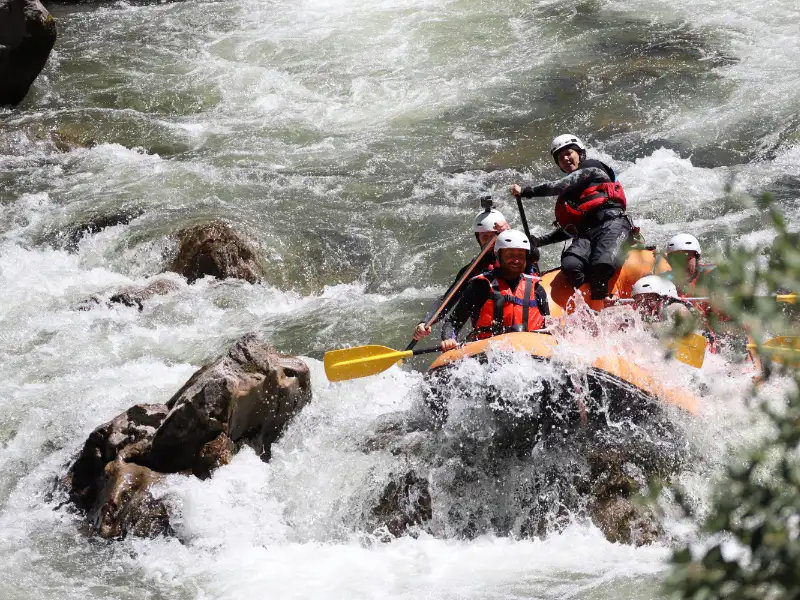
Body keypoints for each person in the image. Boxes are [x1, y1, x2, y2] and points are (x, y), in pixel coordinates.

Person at [510, 134, 632, 302]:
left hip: (612, 224)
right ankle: (591, 301)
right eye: (560, 158)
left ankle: (603, 299)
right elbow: (570, 230)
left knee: (601, 264)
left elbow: (559, 185)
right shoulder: (571, 196)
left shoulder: (592, 167)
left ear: (580, 153)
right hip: (586, 235)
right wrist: (538, 241)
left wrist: (526, 191)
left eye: (569, 153)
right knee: (570, 265)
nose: (565, 159)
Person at [411, 205, 510, 342]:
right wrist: (425, 322)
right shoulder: (473, 270)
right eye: (485, 237)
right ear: (478, 239)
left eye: (493, 237)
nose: (490, 242)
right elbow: (447, 300)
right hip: (489, 335)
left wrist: (509, 233)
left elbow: (533, 252)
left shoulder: (520, 259)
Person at [440, 230, 549, 350]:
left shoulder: (537, 289)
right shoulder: (480, 286)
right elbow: (453, 322)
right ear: (498, 256)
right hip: (489, 350)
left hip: (529, 350)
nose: (516, 260)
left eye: (520, 256)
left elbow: (549, 325)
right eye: (510, 255)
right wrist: (449, 338)